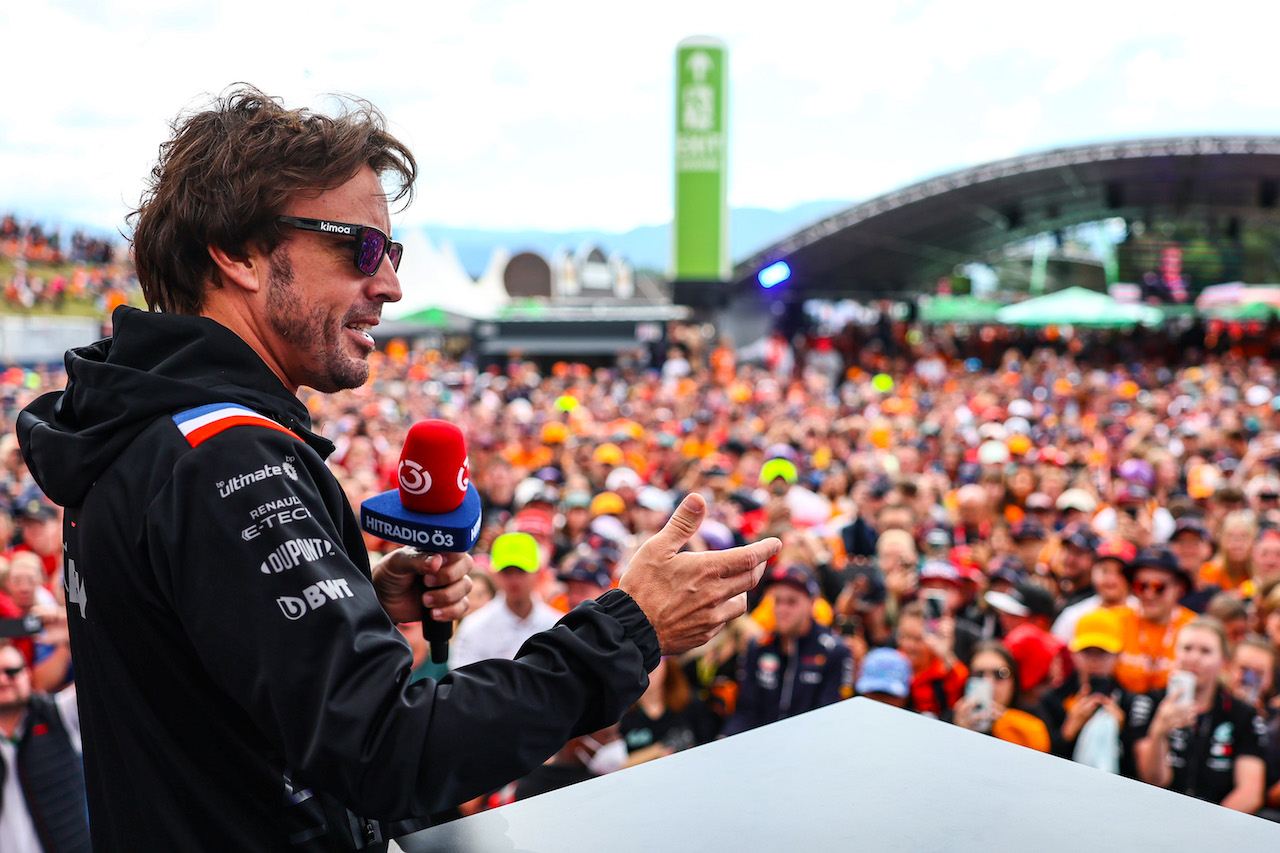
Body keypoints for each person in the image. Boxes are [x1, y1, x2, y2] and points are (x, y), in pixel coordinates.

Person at [15, 87, 781, 852]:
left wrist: (353, 614)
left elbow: (206, 698)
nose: (389, 284)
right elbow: (389, 751)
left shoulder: (136, 428)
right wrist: (629, 625)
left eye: (394, 253)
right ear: (239, 253)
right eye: (362, 248)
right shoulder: (221, 456)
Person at [1134, 617, 1267, 813]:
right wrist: (1159, 731)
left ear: (1223, 661)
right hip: (1156, 814)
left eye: (1205, 651)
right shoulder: (1151, 702)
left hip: (1216, 825)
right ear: (1176, 653)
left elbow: (1250, 793)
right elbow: (1154, 779)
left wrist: (1208, 829)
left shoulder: (1243, 714)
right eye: (1187, 648)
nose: (1194, 658)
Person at [722, 565, 853, 735]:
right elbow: (746, 710)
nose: (782, 609)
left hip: (811, 746)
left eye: (791, 601)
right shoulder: (759, 647)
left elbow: (831, 717)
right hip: (761, 746)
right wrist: (725, 741)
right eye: (777, 601)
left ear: (812, 603)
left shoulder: (834, 651)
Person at [0, 641, 89, 853]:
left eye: (11, 671)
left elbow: (99, 677)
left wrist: (69, 636)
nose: (3, 680)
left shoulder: (59, 714)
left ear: (28, 674)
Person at [449, 532, 561, 668]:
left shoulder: (557, 625)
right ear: (494, 575)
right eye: (506, 572)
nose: (514, 580)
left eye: (521, 571)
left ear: (537, 573)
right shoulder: (473, 627)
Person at [1112, 546, 1196, 693]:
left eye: (1159, 587)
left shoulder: (1194, 628)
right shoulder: (1114, 620)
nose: (1149, 594)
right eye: (1140, 586)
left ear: (1179, 588)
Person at [952, 641, 1051, 752]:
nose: (989, 681)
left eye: (1000, 674)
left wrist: (1007, 721)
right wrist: (959, 733)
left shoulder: (1034, 714)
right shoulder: (953, 717)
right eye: (979, 674)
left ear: (1013, 680)